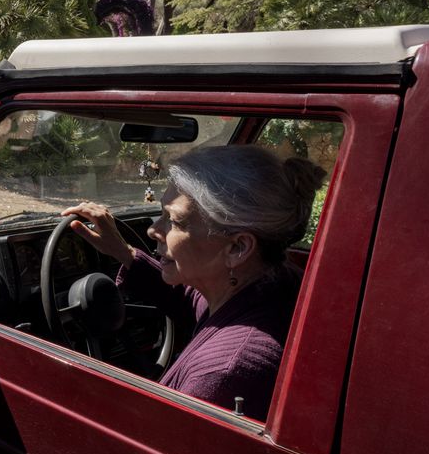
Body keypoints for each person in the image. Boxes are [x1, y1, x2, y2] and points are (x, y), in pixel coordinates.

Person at [62, 144, 326, 420]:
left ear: (237, 248)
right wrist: (123, 252)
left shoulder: (222, 374)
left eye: (174, 221)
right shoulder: (269, 284)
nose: (153, 230)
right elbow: (193, 303)